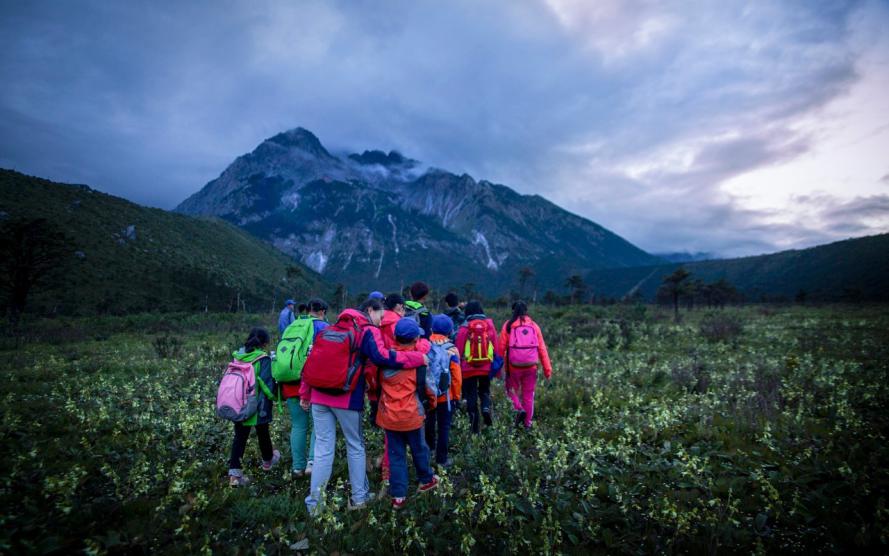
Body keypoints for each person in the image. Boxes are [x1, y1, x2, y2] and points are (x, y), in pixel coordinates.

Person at [300, 298, 427, 513]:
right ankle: (359, 498)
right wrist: (417, 358)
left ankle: (315, 504)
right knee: (355, 446)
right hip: (346, 397)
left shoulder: (330, 328)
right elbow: (383, 357)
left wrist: (305, 393)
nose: (381, 320)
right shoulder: (368, 331)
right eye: (380, 315)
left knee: (322, 449)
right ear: (370, 310)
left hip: (319, 397)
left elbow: (311, 361)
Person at [376, 318, 439, 509]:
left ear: (395, 337)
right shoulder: (420, 361)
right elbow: (430, 388)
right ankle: (426, 479)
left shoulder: (386, 360)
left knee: (396, 455)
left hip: (390, 417)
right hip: (412, 416)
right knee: (419, 448)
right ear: (416, 339)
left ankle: (398, 496)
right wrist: (432, 404)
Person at [280, 298, 329, 478]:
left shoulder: (292, 326)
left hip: (290, 381)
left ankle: (297, 468)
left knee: (298, 425)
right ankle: (312, 462)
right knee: (319, 424)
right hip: (312, 383)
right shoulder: (323, 327)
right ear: (322, 311)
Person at [228, 327, 280, 486]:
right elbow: (265, 384)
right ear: (264, 343)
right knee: (263, 432)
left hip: (238, 403)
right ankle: (268, 461)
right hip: (257, 404)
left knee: (240, 437)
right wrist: (275, 397)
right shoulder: (262, 358)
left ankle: (234, 476)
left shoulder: (238, 356)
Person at [368, 293, 407, 482]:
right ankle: (389, 470)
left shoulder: (376, 323)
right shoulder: (399, 325)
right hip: (395, 381)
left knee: (385, 422)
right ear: (399, 307)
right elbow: (402, 354)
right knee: (396, 427)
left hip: (375, 379)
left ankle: (385, 463)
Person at [500, 301, 552, 431]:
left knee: (511, 391)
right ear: (526, 311)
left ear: (513, 311)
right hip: (531, 367)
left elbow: (501, 348)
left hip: (513, 367)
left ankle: (518, 410)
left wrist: (497, 368)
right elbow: (542, 349)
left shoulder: (508, 326)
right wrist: (547, 370)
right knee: (528, 395)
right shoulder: (534, 326)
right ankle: (527, 424)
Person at [455, 300, 502, 433]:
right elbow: (496, 346)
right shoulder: (489, 325)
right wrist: (496, 368)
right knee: (484, 391)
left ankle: (474, 427)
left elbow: (458, 348)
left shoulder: (465, 327)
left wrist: (457, 366)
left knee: (471, 396)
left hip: (468, 368)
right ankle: (486, 408)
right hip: (486, 366)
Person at [425, 314, 462, 467]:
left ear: (432, 328)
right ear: (450, 331)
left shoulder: (425, 345)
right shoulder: (452, 349)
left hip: (428, 394)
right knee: (444, 427)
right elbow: (456, 376)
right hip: (446, 396)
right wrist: (456, 396)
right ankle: (442, 459)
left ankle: (428, 452)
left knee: (428, 423)